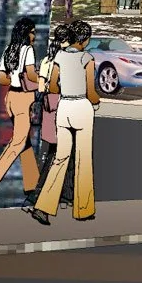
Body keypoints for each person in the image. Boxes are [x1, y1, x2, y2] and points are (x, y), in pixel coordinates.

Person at [30, 17, 98, 225]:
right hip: (81, 107)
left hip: (64, 107)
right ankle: (83, 209)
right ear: (84, 40)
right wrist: (95, 102)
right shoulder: (87, 58)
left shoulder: (58, 56)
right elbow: (91, 91)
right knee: (82, 159)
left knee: (60, 158)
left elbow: (52, 87)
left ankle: (43, 207)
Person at [0, 15, 45, 203]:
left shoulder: (9, 50)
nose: (34, 36)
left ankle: (31, 188)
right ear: (26, 33)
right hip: (23, 99)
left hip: (10, 97)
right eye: (32, 32)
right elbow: (32, 75)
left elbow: (2, 78)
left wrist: (15, 79)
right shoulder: (28, 50)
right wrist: (44, 79)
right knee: (18, 142)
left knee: (25, 144)